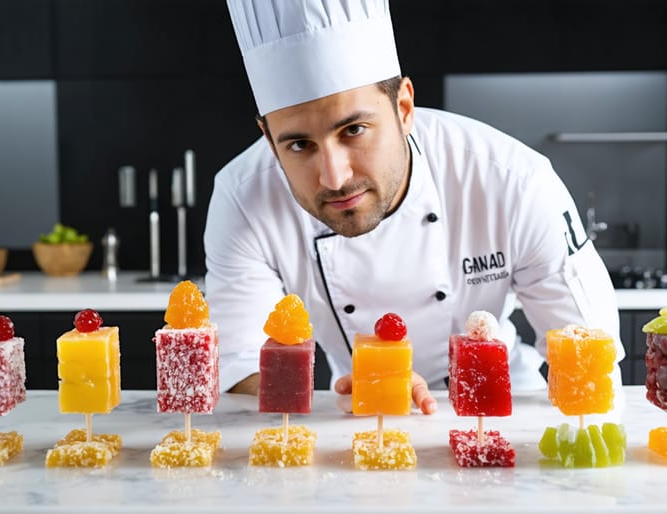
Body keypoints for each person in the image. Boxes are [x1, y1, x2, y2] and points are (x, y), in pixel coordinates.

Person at [205, 0, 624, 414]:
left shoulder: (513, 180)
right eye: (299, 144)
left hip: (504, 409)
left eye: (354, 130)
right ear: (267, 139)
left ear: (404, 108)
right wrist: (365, 387)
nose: (334, 177)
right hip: (355, 410)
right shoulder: (242, 198)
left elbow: (589, 350)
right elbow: (241, 362)